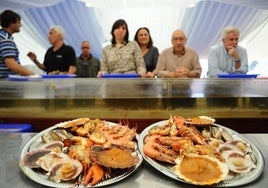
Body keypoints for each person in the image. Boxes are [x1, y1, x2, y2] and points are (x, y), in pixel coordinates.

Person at [0, 10, 34, 78]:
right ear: (11, 24)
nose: (20, 25)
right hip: (5, 85)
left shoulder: (2, 36)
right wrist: (33, 75)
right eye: (18, 22)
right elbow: (11, 64)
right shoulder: (6, 39)